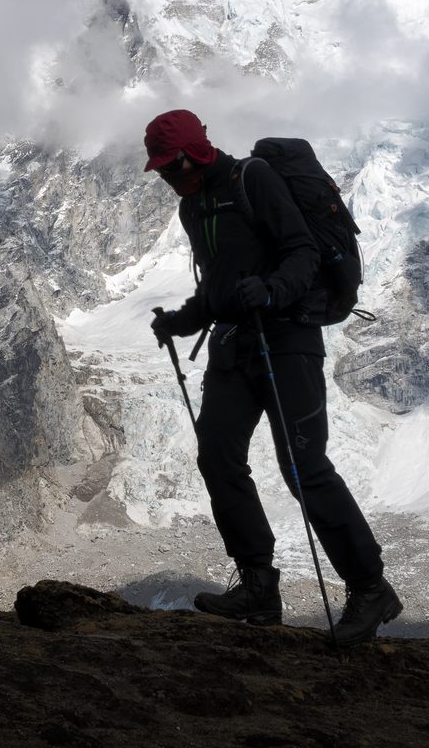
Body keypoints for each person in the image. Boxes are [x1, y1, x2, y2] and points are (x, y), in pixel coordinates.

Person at [144, 109, 399, 643]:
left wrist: (273, 290)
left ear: (195, 154)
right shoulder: (195, 205)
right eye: (163, 170)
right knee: (217, 454)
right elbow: (217, 286)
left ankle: (371, 588)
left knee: (303, 465)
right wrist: (184, 320)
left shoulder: (251, 179)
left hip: (287, 339)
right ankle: (258, 585)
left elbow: (302, 250)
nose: (166, 177)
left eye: (170, 167)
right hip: (235, 344)